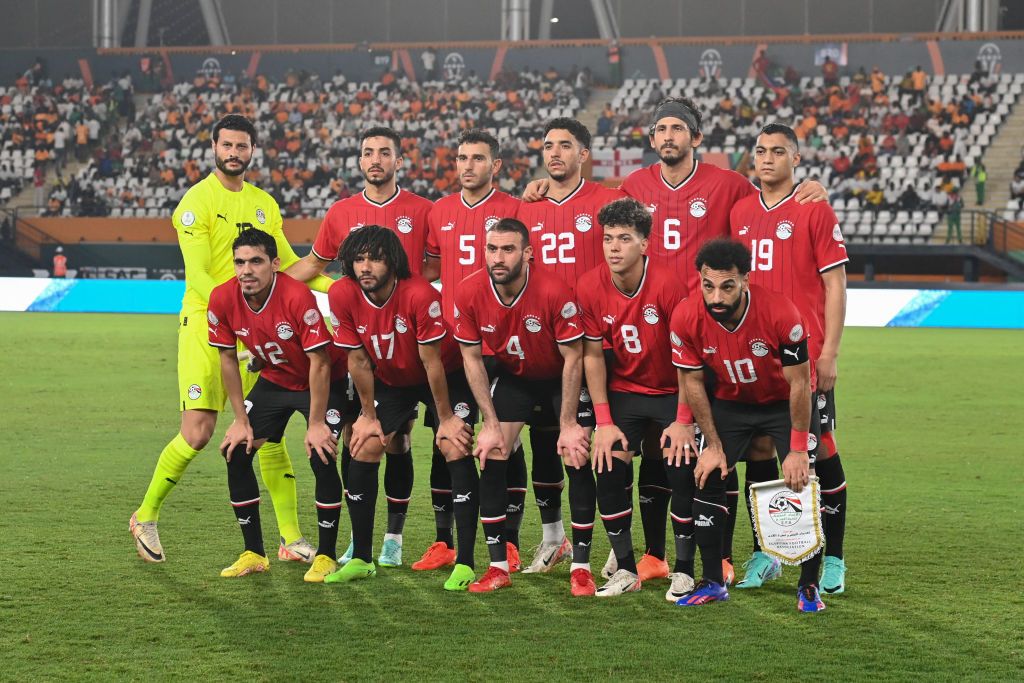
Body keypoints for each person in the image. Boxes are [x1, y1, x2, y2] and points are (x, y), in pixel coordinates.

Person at [523, 99, 827, 583]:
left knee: (726, 451)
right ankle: (650, 554)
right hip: (643, 338)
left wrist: (809, 187)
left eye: (678, 129)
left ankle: (733, 553)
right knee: (658, 454)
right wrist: (540, 188)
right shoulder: (631, 188)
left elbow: (771, 199)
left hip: (710, 334)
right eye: (660, 129)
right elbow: (581, 200)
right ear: (652, 139)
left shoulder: (729, 186)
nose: (668, 136)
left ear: (696, 138)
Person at [129, 114, 332, 565]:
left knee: (267, 435)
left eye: (242, 146)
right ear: (214, 147)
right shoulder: (195, 202)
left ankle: (290, 539)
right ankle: (145, 515)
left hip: (253, 333)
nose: (234, 153)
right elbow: (199, 275)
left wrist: (337, 287)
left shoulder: (264, 203)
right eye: (227, 146)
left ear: (252, 151)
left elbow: (291, 265)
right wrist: (233, 313)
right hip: (207, 329)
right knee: (199, 433)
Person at [288, 125, 433, 569]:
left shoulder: (422, 210)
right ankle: (359, 538)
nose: (375, 160)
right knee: (357, 438)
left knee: (398, 440)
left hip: (404, 344)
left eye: (384, 153)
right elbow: (314, 263)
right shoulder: (341, 212)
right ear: (359, 161)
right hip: (355, 342)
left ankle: (394, 537)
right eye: (368, 152)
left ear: (399, 160)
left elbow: (435, 268)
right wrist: (266, 289)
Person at [670, 238, 826, 612]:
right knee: (708, 473)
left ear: (746, 281)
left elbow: (800, 383)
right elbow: (692, 383)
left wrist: (798, 448)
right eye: (708, 286)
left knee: (799, 481)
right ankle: (712, 581)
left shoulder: (781, 313)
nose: (716, 297)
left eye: (727, 286)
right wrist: (714, 445)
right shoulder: (686, 316)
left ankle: (808, 587)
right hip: (733, 404)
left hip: (782, 404)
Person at [729, 123, 850, 595]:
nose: (767, 158)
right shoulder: (739, 211)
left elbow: (835, 285)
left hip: (805, 357)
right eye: (760, 151)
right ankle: (766, 552)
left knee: (819, 452)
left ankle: (834, 559)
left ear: (796, 160)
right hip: (752, 356)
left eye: (778, 151)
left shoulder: (813, 209)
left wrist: (831, 352)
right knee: (759, 451)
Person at [325, 226, 480, 590]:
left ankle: (467, 562)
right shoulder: (341, 293)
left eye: (375, 259)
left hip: (445, 373)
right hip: (392, 380)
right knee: (363, 443)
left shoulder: (419, 294)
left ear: (393, 262)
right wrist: (369, 416)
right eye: (359, 259)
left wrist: (445, 419)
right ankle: (363, 557)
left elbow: (433, 363)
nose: (365, 267)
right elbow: (359, 362)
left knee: (453, 444)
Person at [454, 218, 593, 594]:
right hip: (516, 379)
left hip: (558, 379)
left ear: (528, 253)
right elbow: (471, 360)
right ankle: (498, 566)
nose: (498, 258)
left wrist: (567, 422)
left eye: (508, 249)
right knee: (493, 450)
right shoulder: (469, 292)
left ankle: (581, 566)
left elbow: (574, 358)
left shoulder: (553, 291)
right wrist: (490, 423)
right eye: (492, 249)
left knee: (575, 452)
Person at [513, 117, 626, 573]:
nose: (554, 153)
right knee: (547, 445)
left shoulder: (607, 201)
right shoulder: (527, 207)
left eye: (565, 146)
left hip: (598, 343)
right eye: (547, 146)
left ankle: (620, 552)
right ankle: (554, 539)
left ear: (584, 155)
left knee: (602, 448)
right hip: (545, 347)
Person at [207, 229, 345, 581]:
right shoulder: (222, 298)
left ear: (275, 264)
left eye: (256, 261)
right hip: (277, 379)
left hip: (323, 382)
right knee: (236, 450)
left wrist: (316, 424)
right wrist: (240, 420)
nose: (246, 270)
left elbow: (321, 363)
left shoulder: (296, 295)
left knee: (322, 452)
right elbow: (226, 360)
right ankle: (254, 552)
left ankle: (327, 555)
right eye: (239, 262)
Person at [421, 129, 528, 572]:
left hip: (506, 344)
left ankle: (511, 541)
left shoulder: (516, 209)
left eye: (478, 158)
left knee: (506, 443)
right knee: (446, 440)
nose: (467, 166)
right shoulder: (439, 211)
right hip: (454, 344)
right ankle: (443, 541)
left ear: (495, 166)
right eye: (462, 158)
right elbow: (429, 267)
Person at [577, 198, 693, 598]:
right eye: (608, 238)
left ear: (645, 245)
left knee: (680, 470)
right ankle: (625, 569)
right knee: (607, 466)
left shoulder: (670, 285)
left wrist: (683, 419)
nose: (613, 247)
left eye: (624, 239)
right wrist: (604, 423)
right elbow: (592, 356)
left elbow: (687, 359)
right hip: (623, 394)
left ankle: (684, 569)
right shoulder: (589, 285)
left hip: (670, 393)